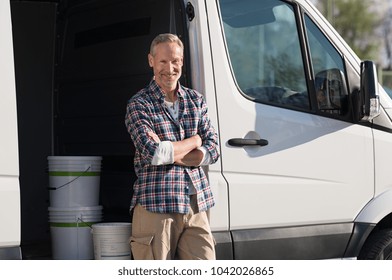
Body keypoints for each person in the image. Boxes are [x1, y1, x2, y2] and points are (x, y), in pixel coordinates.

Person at [124, 33, 220, 260]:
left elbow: (214, 149)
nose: (170, 68)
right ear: (151, 61)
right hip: (156, 205)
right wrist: (195, 141)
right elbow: (153, 153)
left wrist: (170, 152)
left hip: (196, 205)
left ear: (182, 61)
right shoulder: (139, 104)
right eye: (163, 61)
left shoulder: (196, 100)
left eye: (175, 61)